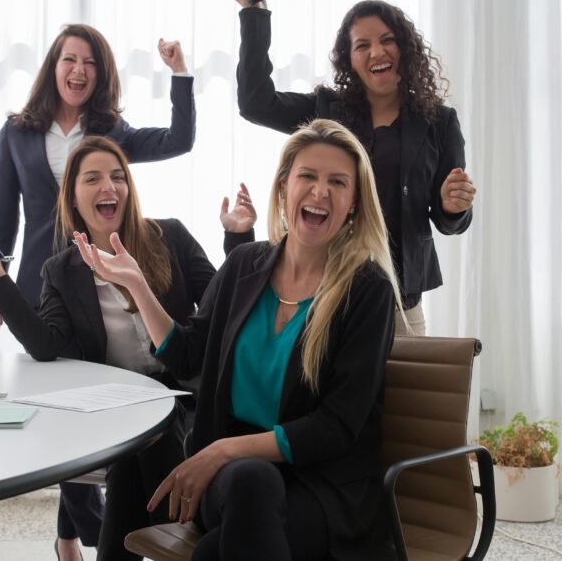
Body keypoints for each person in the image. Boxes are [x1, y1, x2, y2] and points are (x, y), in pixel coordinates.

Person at [75, 119, 402, 560]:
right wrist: (137, 285)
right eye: (308, 176)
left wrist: (223, 451)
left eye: (337, 182)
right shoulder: (246, 264)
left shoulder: (367, 289)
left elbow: (337, 428)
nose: (320, 192)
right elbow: (188, 356)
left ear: (354, 204)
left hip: (322, 487)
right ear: (285, 187)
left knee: (216, 551)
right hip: (231, 481)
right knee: (250, 480)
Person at [0, 137, 256, 561]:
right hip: (122, 405)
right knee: (134, 451)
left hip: (185, 394)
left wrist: (238, 237)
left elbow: (223, 305)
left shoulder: (168, 237)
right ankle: (185, 536)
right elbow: (45, 345)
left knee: (142, 447)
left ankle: (186, 535)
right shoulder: (61, 270)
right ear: (74, 197)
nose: (110, 187)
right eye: (94, 178)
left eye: (118, 176)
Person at [232, 0, 478, 336]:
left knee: (404, 394)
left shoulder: (439, 122)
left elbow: (448, 221)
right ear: (349, 60)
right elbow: (256, 103)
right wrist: (255, 15)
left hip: (400, 300)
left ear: (405, 49)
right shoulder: (326, 111)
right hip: (325, 289)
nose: (376, 52)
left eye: (387, 41)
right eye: (362, 45)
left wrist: (453, 206)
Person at [0, 23, 197, 332]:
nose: (79, 70)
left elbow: (179, 141)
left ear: (101, 74)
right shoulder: (16, 133)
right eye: (70, 59)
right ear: (53, 67)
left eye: (91, 63)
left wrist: (179, 71)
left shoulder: (114, 132)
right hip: (36, 283)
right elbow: (1, 219)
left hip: (99, 285)